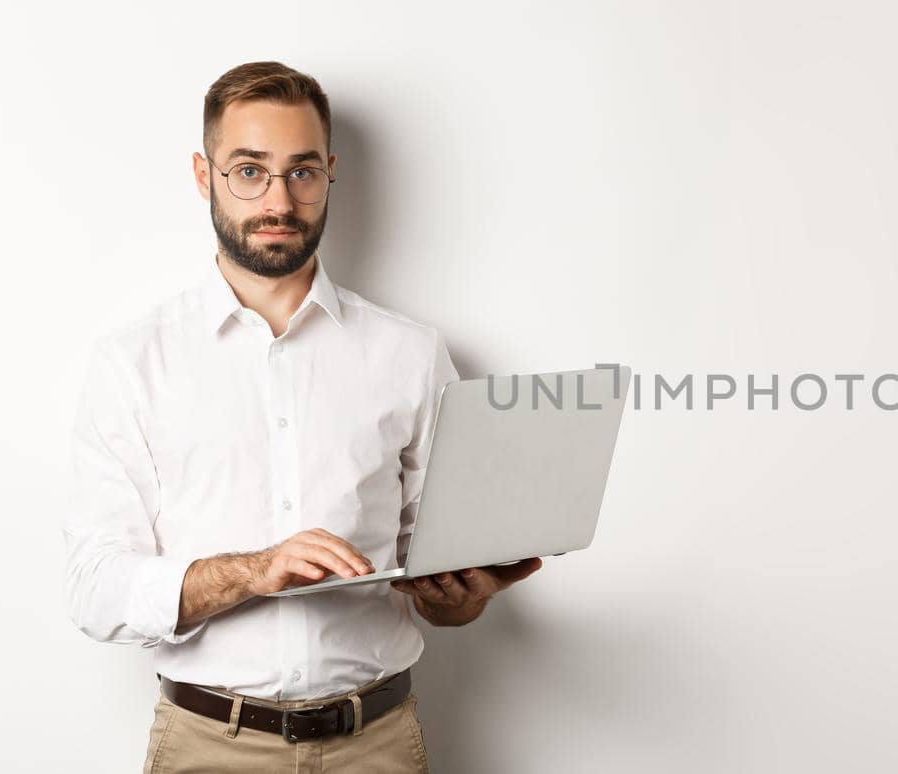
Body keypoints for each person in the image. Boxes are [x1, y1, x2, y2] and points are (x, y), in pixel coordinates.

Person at [61, 61, 542, 773]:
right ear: (204, 175)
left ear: (330, 175)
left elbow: (431, 562)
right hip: (207, 747)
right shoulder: (133, 362)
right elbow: (95, 588)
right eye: (249, 171)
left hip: (377, 743)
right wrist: (253, 570)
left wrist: (457, 598)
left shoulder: (410, 353)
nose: (278, 199)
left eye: (302, 172)